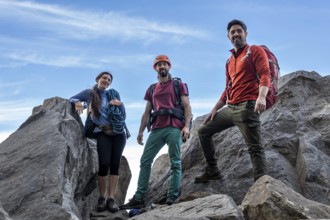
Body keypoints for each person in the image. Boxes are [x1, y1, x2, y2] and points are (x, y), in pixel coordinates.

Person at [194, 19, 270, 184]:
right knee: (203, 131)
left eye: (239, 31)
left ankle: (262, 186)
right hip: (231, 108)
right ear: (228, 36)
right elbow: (227, 87)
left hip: (247, 106)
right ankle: (213, 170)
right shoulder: (229, 61)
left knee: (255, 147)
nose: (236, 34)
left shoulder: (254, 50)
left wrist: (262, 96)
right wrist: (215, 108)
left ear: (245, 34)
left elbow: (265, 73)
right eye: (232, 32)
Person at [120, 55, 192, 209]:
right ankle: (139, 197)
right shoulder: (152, 88)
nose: (162, 67)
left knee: (175, 162)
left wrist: (186, 126)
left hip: (174, 127)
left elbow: (187, 106)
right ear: (155, 68)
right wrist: (140, 132)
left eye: (164, 64)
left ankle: (173, 195)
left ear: (169, 67)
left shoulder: (179, 84)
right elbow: (147, 112)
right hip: (156, 129)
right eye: (159, 65)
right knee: (145, 161)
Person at [69, 72, 130, 213]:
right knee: (104, 164)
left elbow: (123, 117)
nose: (106, 81)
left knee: (115, 165)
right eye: (104, 78)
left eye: (109, 80)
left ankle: (111, 199)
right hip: (102, 132)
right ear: (98, 79)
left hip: (118, 133)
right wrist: (78, 103)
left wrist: (120, 104)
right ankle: (101, 198)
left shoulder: (113, 94)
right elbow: (72, 98)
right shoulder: (90, 93)